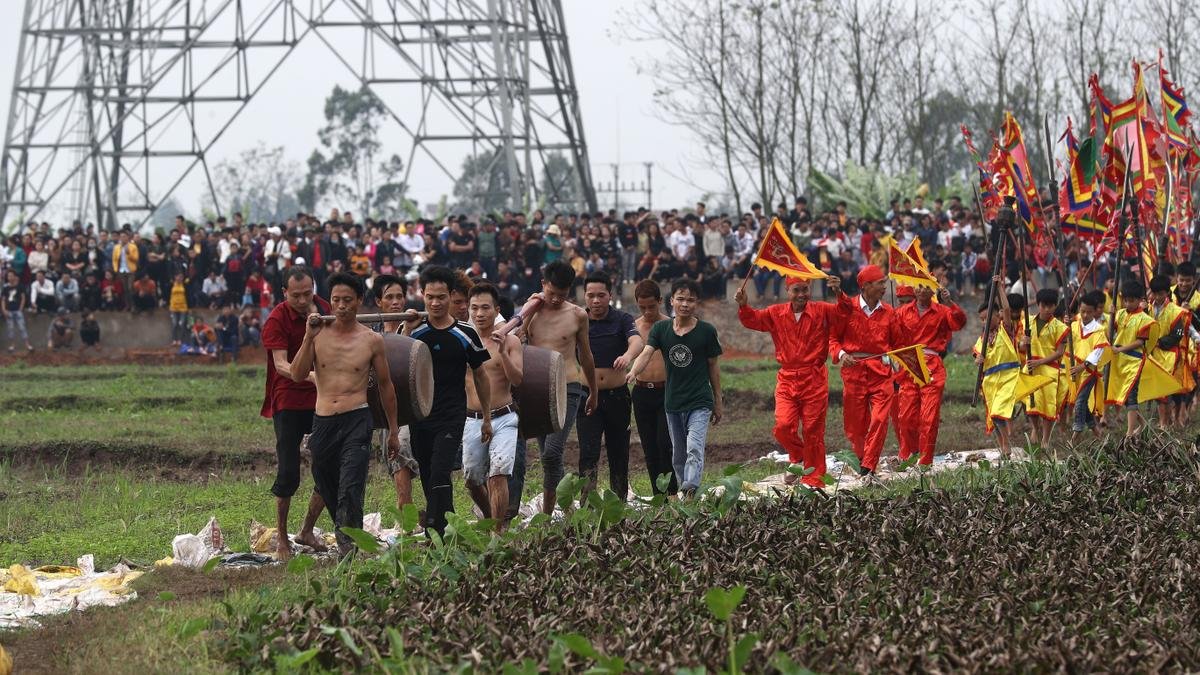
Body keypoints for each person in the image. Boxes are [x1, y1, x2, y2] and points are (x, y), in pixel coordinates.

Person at [291, 272, 400, 557]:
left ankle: (348, 551)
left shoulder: (371, 340)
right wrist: (307, 338)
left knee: (351, 485)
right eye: (336, 300)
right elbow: (297, 374)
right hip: (323, 419)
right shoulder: (318, 335)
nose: (341, 306)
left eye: (348, 300)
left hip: (357, 419)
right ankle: (346, 537)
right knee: (326, 484)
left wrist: (394, 431)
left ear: (359, 301)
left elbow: (387, 386)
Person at [402, 265, 491, 536]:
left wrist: (487, 417)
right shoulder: (415, 332)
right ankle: (445, 526)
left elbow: (480, 375)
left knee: (441, 471)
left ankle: (435, 528)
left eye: (441, 297)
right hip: (420, 416)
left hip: (451, 414)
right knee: (429, 474)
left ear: (451, 296)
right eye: (430, 297)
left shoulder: (465, 333)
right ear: (422, 295)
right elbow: (397, 367)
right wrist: (405, 330)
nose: (436, 303)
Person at [736, 273, 848, 486]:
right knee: (783, 426)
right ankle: (799, 457)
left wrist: (838, 293)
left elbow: (845, 314)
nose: (801, 294)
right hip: (787, 378)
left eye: (805, 289)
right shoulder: (775, 313)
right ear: (787, 291)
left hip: (814, 378)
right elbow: (753, 319)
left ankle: (813, 478)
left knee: (813, 431)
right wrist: (744, 305)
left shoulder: (822, 310)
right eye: (796, 290)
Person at [508, 260, 598, 514]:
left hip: (568, 386)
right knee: (546, 451)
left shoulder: (578, 315)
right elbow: (515, 339)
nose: (557, 299)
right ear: (543, 285)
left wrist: (593, 390)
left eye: (563, 294)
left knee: (552, 451)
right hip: (535, 388)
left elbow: (586, 355)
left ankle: (549, 513)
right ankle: (557, 509)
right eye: (552, 293)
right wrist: (527, 310)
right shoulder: (532, 309)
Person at [626, 278, 724, 498]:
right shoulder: (661, 329)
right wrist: (633, 372)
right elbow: (646, 352)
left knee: (694, 447)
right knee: (678, 454)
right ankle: (680, 489)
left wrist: (718, 400)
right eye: (681, 299)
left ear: (697, 303)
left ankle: (689, 491)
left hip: (699, 400)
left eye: (690, 300)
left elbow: (713, 367)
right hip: (673, 402)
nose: (685, 304)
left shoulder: (706, 331)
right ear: (672, 301)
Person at [260, 266, 330, 560]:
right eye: (296, 295)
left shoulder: (325, 308)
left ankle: (307, 530)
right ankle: (282, 540)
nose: (302, 300)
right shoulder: (277, 318)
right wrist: (309, 375)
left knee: (328, 467)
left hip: (323, 397)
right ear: (284, 293)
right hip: (288, 397)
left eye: (307, 293)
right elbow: (280, 365)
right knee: (288, 471)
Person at [829, 265, 903, 477]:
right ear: (866, 285)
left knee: (880, 419)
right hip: (854, 373)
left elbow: (898, 343)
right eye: (880, 283)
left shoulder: (889, 311)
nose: (884, 287)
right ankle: (862, 458)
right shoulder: (847, 308)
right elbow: (833, 339)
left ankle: (868, 465)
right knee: (855, 424)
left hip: (881, 372)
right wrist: (842, 355)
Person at [462, 282, 523, 530]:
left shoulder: (510, 341)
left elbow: (518, 379)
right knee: (472, 479)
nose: (479, 314)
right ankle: (489, 519)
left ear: (496, 309)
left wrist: (502, 352)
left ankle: (498, 532)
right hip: (473, 418)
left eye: (485, 308)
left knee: (498, 474)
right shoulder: (462, 340)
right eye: (474, 308)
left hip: (505, 417)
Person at [577, 273, 643, 501]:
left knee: (619, 451)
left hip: (617, 396)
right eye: (591, 296)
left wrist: (627, 356)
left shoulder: (622, 319)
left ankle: (619, 501)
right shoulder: (578, 320)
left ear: (610, 296)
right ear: (584, 296)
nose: (596, 301)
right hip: (587, 397)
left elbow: (637, 341)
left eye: (601, 295)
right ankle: (586, 504)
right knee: (588, 452)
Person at [894, 282, 967, 466]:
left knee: (929, 417)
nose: (921, 290)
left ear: (933, 290)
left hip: (932, 366)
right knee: (906, 416)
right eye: (918, 286)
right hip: (910, 366)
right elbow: (891, 333)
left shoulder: (942, 311)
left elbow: (959, 323)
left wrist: (950, 302)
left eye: (926, 286)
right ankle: (908, 456)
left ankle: (925, 461)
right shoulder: (903, 312)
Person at [371, 274, 421, 512]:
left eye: (399, 296)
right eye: (389, 297)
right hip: (382, 407)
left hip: (409, 407)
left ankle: (406, 511)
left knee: (400, 450)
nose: (396, 302)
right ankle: (407, 513)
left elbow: (403, 361)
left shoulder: (414, 328)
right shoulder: (372, 333)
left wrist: (409, 330)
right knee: (394, 458)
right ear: (378, 301)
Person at [630, 280, 676, 496]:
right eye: (642, 307)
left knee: (665, 443)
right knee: (649, 446)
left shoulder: (671, 325)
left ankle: (673, 491)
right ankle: (659, 495)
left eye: (651, 306)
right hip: (641, 391)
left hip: (666, 391)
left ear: (660, 301)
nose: (647, 312)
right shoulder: (633, 328)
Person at [1019, 288, 1068, 448]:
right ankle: (1035, 428)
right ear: (1038, 305)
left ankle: (1046, 439)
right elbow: (1021, 348)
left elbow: (1059, 353)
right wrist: (1023, 342)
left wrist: (1040, 362)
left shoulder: (1060, 327)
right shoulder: (1028, 322)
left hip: (1050, 370)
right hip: (1031, 369)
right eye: (1044, 305)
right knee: (1031, 404)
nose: (1047, 309)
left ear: (1055, 306)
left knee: (1048, 406)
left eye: (1051, 306)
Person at [1105, 279, 1154, 437]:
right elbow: (1109, 334)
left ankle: (1129, 432)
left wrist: (1121, 349)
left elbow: (1140, 342)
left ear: (1140, 300)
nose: (1127, 303)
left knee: (1131, 396)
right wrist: (1111, 316)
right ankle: (1142, 425)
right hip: (1119, 361)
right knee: (1125, 396)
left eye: (1131, 300)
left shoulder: (1144, 319)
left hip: (1134, 361)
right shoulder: (1119, 314)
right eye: (1125, 300)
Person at [1067, 290, 1109, 440]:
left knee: (1079, 402)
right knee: (1083, 402)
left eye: (1089, 312)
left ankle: (1075, 437)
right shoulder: (1072, 325)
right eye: (1083, 311)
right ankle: (1098, 433)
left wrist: (1082, 366)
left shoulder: (1099, 329)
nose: (1085, 315)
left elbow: (1097, 352)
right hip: (1074, 369)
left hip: (1088, 371)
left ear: (1095, 312)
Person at [2, 270, 33, 352]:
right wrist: (4, 310)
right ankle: (12, 345)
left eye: (11, 275)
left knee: (22, 327)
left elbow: (23, 298)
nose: (10, 277)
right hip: (9, 310)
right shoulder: (5, 288)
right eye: (8, 276)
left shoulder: (20, 286)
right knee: (10, 329)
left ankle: (27, 345)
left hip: (17, 310)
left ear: (15, 276)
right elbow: (3, 300)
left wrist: (20, 308)